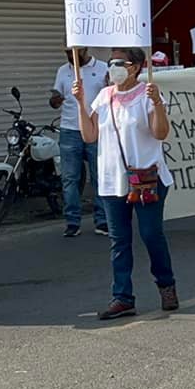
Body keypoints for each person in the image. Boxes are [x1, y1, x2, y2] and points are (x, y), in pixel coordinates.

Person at [78, 48, 176, 319]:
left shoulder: (148, 94)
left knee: (150, 234)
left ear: (135, 67)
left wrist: (157, 104)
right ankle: (122, 297)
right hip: (112, 181)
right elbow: (89, 136)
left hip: (146, 179)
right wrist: (79, 103)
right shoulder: (104, 96)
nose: (113, 67)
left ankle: (166, 285)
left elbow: (161, 133)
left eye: (119, 63)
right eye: (111, 63)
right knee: (118, 240)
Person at [49, 49, 110, 238]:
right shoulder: (63, 71)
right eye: (67, 52)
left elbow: (110, 95)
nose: (71, 55)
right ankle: (72, 221)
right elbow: (54, 100)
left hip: (95, 128)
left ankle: (101, 220)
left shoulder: (102, 68)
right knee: (69, 178)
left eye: (75, 51)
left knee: (99, 176)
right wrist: (56, 99)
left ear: (85, 50)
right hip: (69, 130)